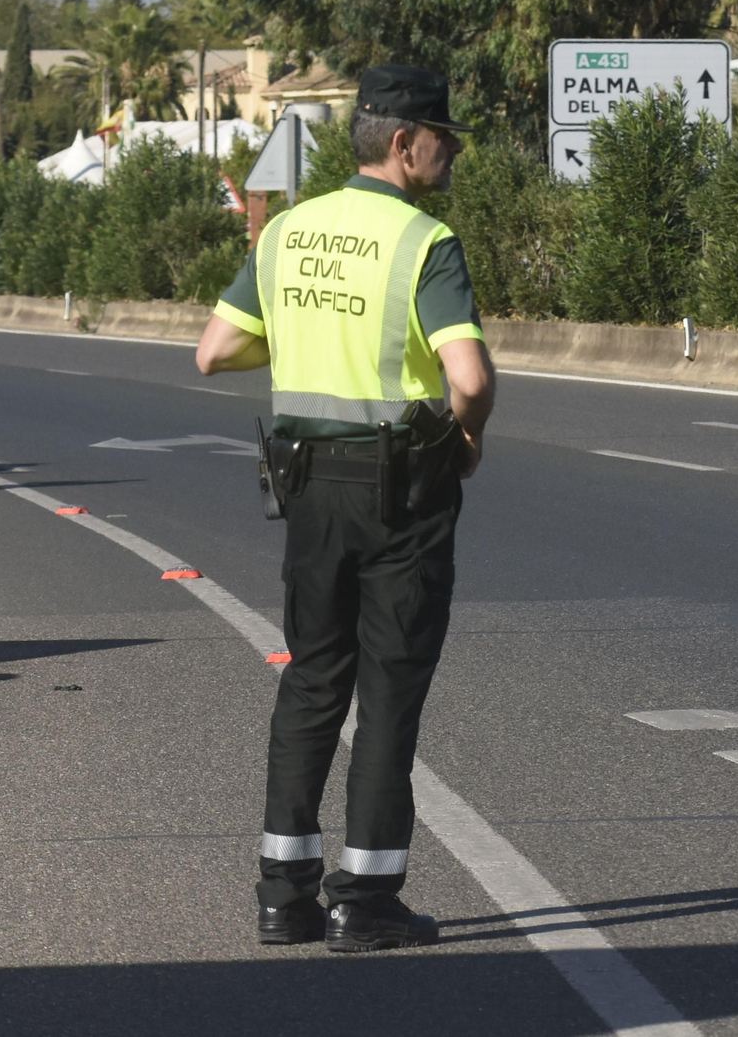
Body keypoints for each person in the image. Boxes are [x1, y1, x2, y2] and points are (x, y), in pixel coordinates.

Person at [194, 65, 494, 953]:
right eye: (445, 135)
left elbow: (214, 351)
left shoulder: (287, 231)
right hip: (400, 487)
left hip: (308, 486)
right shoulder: (423, 240)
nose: (453, 150)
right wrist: (467, 442)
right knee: (390, 689)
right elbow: (469, 377)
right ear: (405, 143)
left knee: (313, 678)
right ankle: (365, 898)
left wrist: (301, 336)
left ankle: (282, 894)